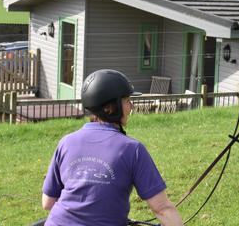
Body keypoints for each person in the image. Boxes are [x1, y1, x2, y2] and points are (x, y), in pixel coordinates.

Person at [41, 69, 183, 226]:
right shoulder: (132, 149)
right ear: (110, 108)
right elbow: (162, 208)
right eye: (127, 100)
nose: (132, 107)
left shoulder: (66, 142)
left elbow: (47, 202)